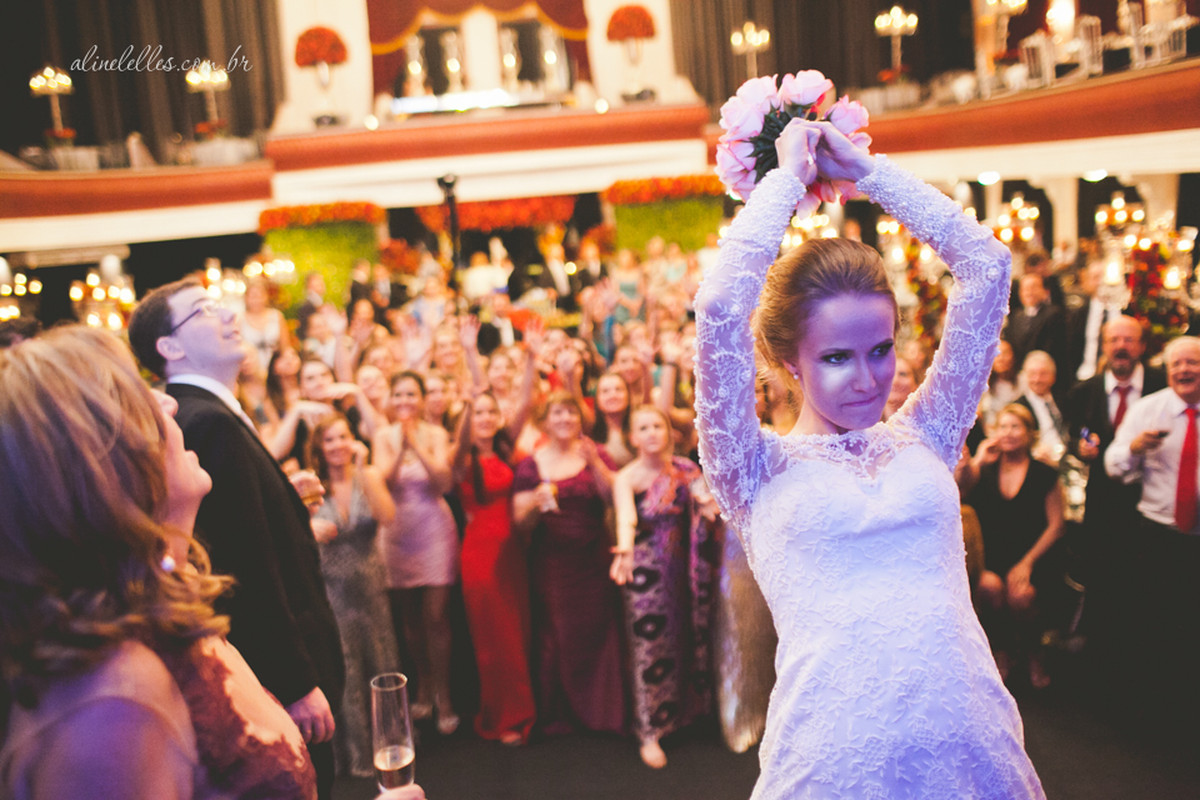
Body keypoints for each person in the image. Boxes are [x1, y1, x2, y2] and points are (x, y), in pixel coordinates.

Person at [693, 119, 1043, 797]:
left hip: (970, 740)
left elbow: (988, 267)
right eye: (836, 357)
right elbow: (719, 305)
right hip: (834, 759)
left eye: (880, 349)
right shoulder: (751, 468)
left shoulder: (929, 432)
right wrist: (784, 183)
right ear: (787, 362)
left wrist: (870, 173)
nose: (867, 377)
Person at [0, 326, 317, 798]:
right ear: (97, 468)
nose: (170, 403)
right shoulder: (112, 703)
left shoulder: (170, 590)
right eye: (137, 395)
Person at [128, 280, 345, 799]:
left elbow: (239, 518)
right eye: (204, 311)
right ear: (170, 347)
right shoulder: (201, 420)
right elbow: (237, 563)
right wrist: (294, 682)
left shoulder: (215, 411)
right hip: (280, 673)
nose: (227, 314)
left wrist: (282, 501)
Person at [512, 391, 626, 736]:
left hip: (593, 557)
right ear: (545, 420)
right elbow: (519, 521)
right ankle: (561, 713)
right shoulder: (531, 463)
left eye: (571, 413)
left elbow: (613, 500)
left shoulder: (596, 453)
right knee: (559, 632)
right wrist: (535, 502)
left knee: (597, 629)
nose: (565, 419)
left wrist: (596, 464)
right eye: (558, 413)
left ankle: (601, 713)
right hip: (553, 563)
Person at [610, 406, 718, 768]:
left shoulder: (686, 469)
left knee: (687, 636)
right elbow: (626, 516)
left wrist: (707, 507)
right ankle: (649, 730)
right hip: (646, 576)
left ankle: (685, 713)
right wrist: (624, 548)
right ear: (632, 437)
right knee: (649, 649)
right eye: (644, 427)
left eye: (658, 425)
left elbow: (707, 501)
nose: (653, 432)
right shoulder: (626, 477)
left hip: (685, 571)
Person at [1103, 335, 1200, 721]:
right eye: (1176, 364)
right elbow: (1112, 464)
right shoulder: (1148, 410)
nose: (1183, 370)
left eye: (1192, 362)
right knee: (1154, 626)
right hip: (1156, 537)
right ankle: (1154, 710)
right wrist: (1134, 448)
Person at [1063, 315, 1164, 668]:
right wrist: (1079, 448)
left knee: (1145, 574)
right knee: (1101, 570)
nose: (1121, 347)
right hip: (1102, 499)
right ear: (1104, 346)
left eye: (1129, 340)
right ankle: (1100, 650)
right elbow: (1072, 438)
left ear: (1142, 345)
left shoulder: (1161, 384)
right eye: (1114, 340)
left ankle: (1140, 648)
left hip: (1151, 499)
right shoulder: (1084, 391)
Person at [307, 415, 401, 778]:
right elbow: (292, 535)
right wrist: (309, 528)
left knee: (382, 660)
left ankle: (392, 745)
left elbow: (388, 515)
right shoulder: (311, 485)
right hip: (333, 589)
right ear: (319, 447)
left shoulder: (369, 476)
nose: (337, 445)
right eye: (329, 440)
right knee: (346, 667)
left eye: (343, 437)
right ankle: (357, 754)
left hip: (371, 584)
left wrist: (364, 469)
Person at [373, 370, 460, 735]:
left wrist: (418, 447)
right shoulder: (381, 435)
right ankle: (423, 685)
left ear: (423, 399)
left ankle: (445, 695)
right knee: (409, 622)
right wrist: (400, 449)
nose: (405, 401)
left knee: (436, 617)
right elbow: (383, 483)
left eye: (412, 394)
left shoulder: (438, 434)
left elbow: (444, 482)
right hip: (397, 532)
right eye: (399, 395)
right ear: (390, 401)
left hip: (434, 529)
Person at [451, 392, 537, 745]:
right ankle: (504, 718)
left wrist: (532, 357)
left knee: (518, 632)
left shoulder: (505, 449)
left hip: (513, 552)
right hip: (482, 556)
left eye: (490, 412)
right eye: (477, 412)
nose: (484, 418)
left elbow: (526, 404)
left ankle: (522, 709)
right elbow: (458, 446)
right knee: (495, 639)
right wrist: (470, 393)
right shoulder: (460, 458)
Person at [965, 404, 1066, 688]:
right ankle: (1002, 650)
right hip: (992, 556)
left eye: (1015, 427)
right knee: (989, 588)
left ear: (1029, 434)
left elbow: (1057, 526)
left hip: (1032, 556)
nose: (1008, 433)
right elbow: (957, 491)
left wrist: (1027, 563)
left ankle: (1034, 653)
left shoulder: (1044, 473)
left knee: (1021, 595)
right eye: (1003, 427)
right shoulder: (985, 470)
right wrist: (979, 460)